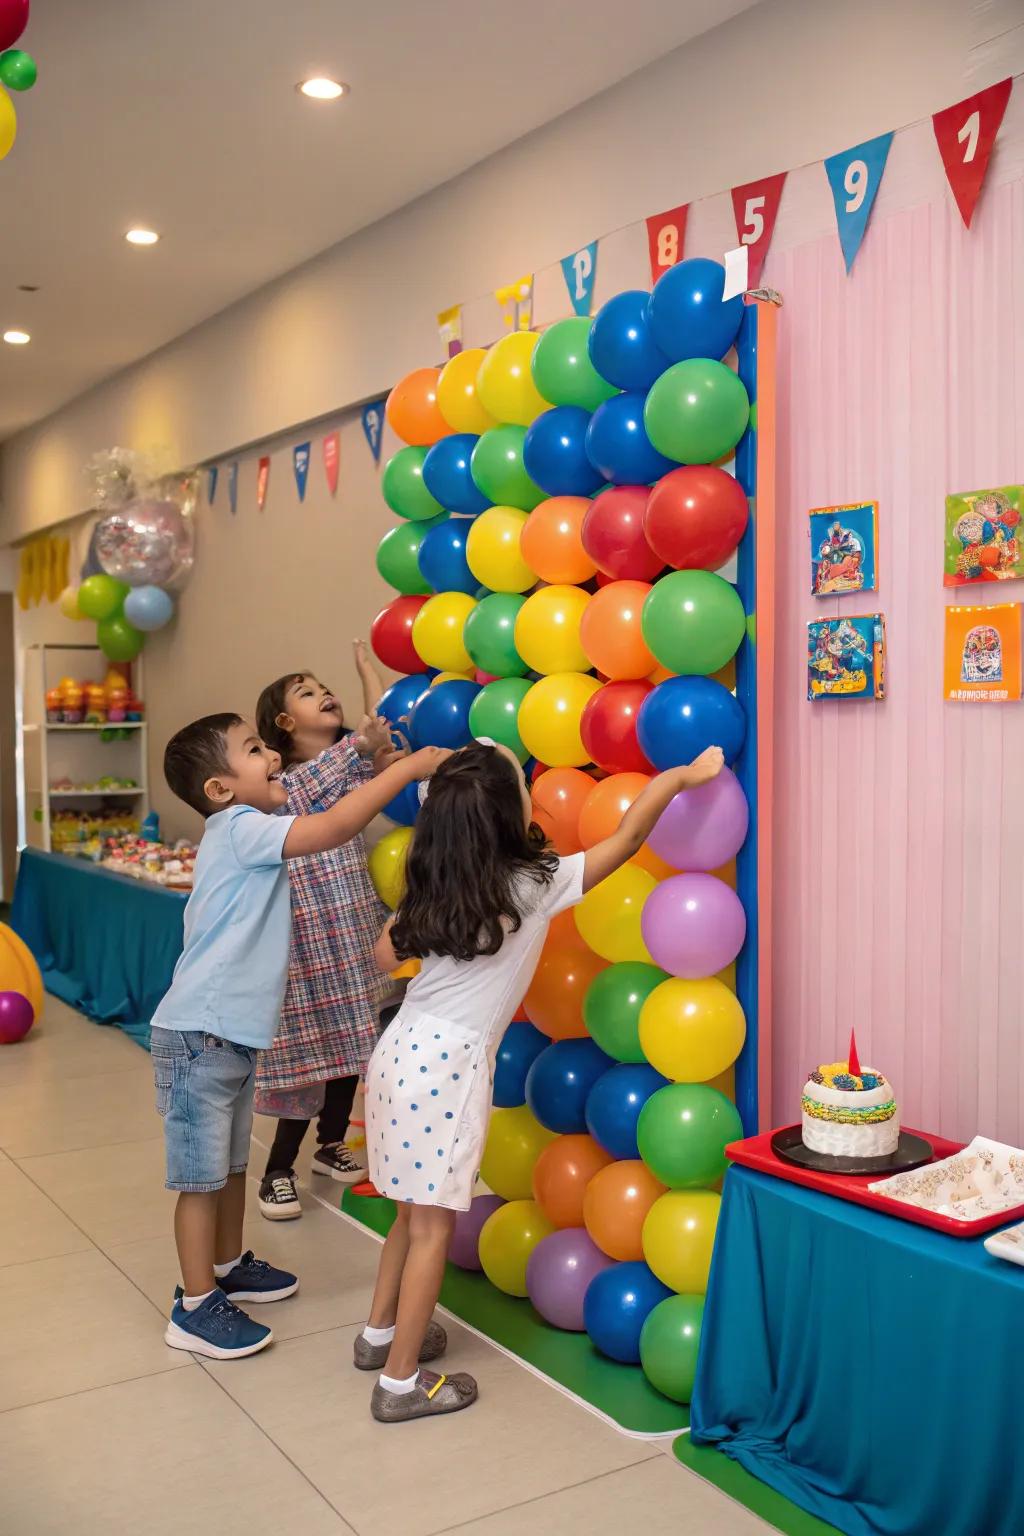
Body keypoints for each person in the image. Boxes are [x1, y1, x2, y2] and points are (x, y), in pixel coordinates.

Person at [354, 738, 725, 1422]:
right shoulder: (534, 881)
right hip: (448, 1069)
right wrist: (677, 775)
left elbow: (384, 956)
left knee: (409, 1212)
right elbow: (630, 833)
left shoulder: (433, 886)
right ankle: (400, 1383)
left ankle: (381, 1336)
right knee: (434, 1228)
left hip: (397, 1052)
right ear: (505, 813)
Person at [151, 708, 447, 1361]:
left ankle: (226, 1267)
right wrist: (417, 767)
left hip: (224, 1035)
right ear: (221, 789)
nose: (273, 758)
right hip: (200, 1034)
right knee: (200, 1177)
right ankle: (194, 1306)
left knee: (228, 1167)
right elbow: (338, 825)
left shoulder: (244, 828)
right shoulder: (240, 828)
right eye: (255, 750)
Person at [252, 642, 398, 1220]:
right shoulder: (284, 786)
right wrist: (363, 742)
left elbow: (375, 737)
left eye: (323, 686)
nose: (324, 694)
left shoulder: (343, 767)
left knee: (353, 1047)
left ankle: (331, 1143)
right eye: (308, 693)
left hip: (351, 933)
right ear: (286, 723)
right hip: (308, 947)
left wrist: (368, 677)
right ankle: (278, 1169)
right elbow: (344, 759)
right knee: (310, 1057)